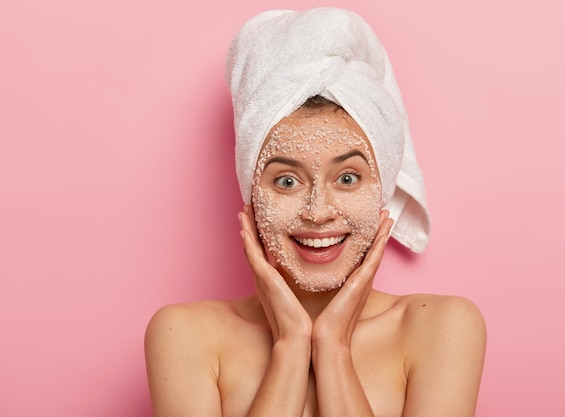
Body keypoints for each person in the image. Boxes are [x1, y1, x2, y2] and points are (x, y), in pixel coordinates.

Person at [144, 7, 486, 417]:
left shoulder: (442, 328)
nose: (318, 212)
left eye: (347, 179)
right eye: (287, 180)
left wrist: (333, 347)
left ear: (383, 189)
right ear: (251, 194)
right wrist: (291, 344)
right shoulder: (183, 335)